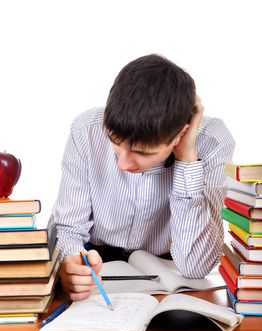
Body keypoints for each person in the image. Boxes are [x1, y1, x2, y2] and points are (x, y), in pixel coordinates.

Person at [50, 54, 235, 301]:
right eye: (115, 143)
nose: (123, 163)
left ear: (181, 133)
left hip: (171, 277)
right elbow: (68, 229)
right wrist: (72, 262)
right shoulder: (87, 130)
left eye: (143, 152)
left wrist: (187, 159)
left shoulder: (211, 141)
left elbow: (195, 266)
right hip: (100, 270)